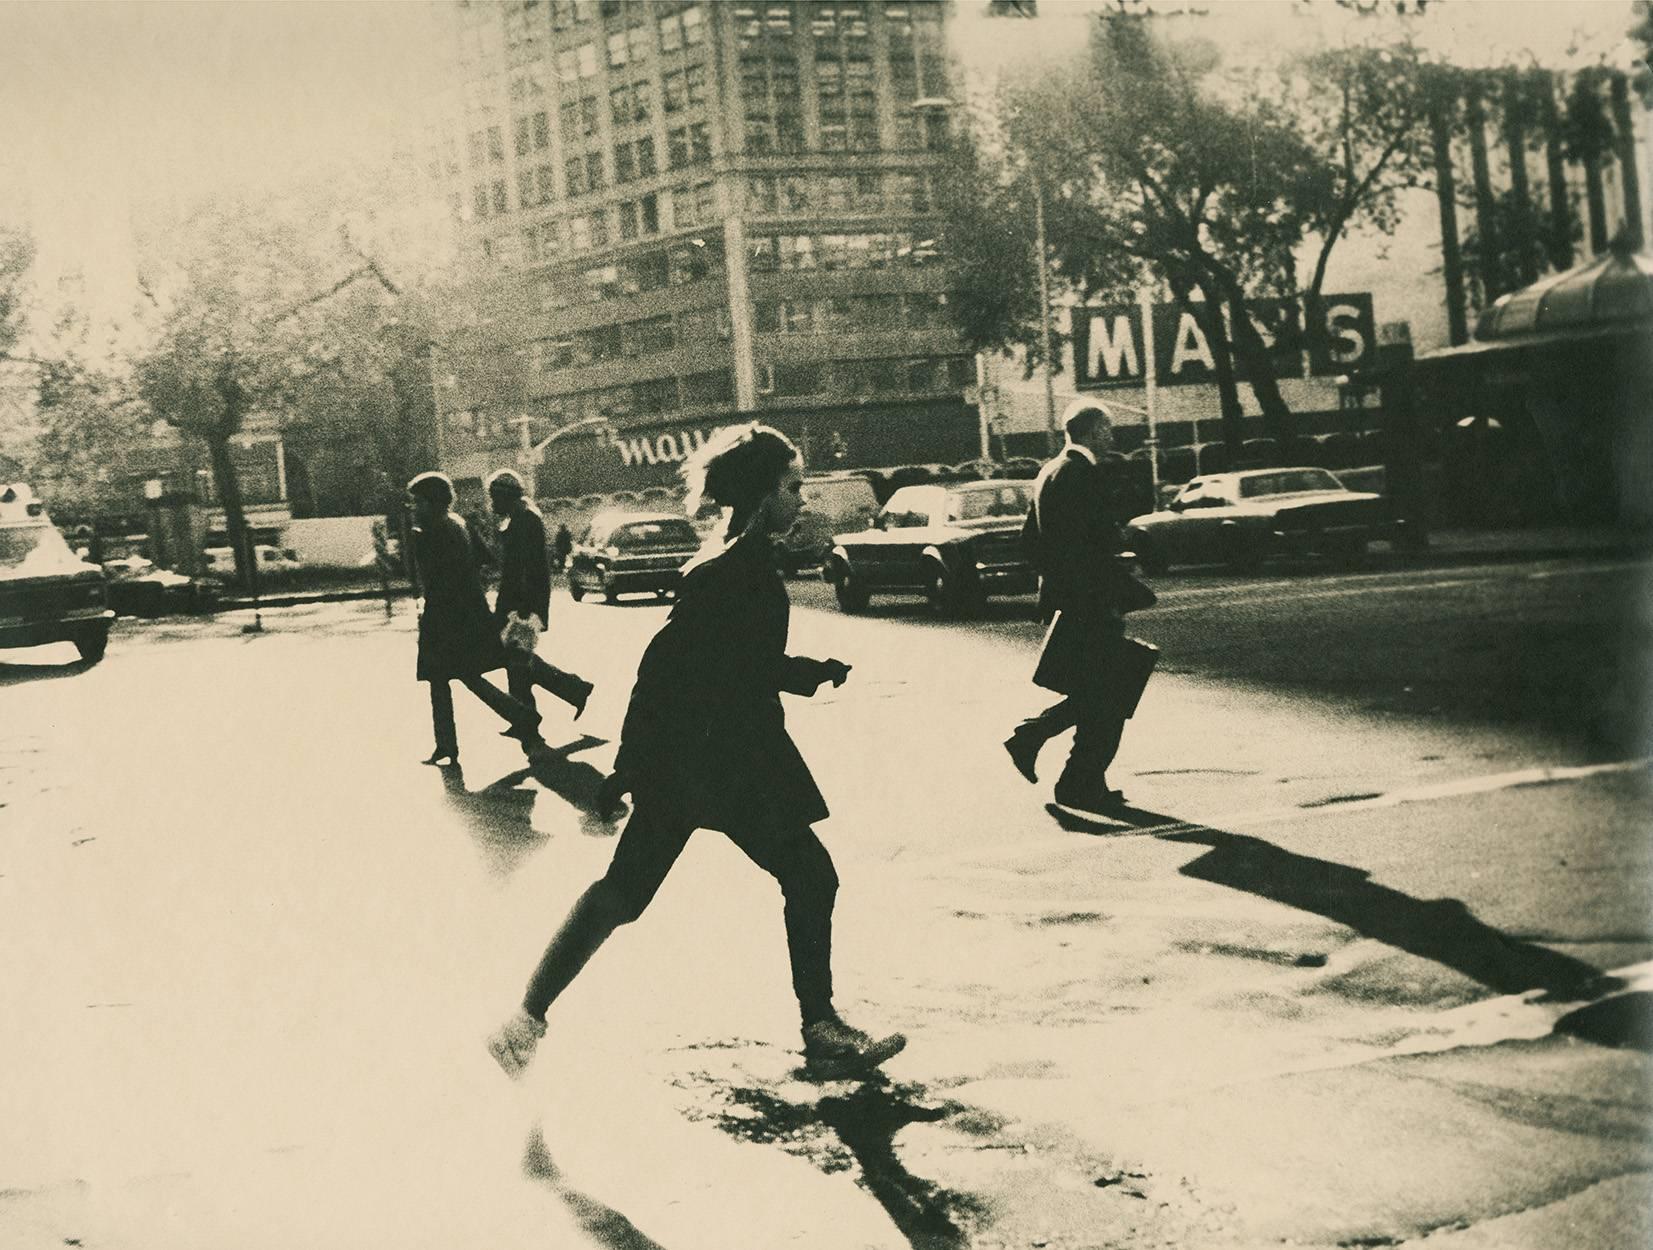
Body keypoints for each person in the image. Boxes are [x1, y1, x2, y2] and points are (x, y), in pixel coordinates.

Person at [487, 425, 906, 1082]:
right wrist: (629, 764)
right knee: (804, 876)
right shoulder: (730, 570)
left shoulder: (735, 562)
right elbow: (663, 671)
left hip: (698, 762)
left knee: (626, 894)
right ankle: (821, 1029)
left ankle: (524, 1020)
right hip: (720, 762)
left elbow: (734, 660)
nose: (799, 500)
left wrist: (801, 672)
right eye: (792, 488)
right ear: (764, 494)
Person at [1004, 401, 1141, 818]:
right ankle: (1037, 741)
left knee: (1099, 693)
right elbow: (1097, 543)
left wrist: (1057, 588)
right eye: (1108, 428)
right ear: (1094, 431)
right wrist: (1116, 576)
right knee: (1108, 693)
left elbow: (1031, 542)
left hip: (1072, 601)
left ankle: (1080, 781)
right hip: (1092, 602)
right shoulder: (1084, 474)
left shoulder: (1048, 473)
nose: (1112, 436)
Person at [407, 472, 541, 765]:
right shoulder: (459, 523)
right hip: (467, 611)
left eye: (418, 502)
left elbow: (434, 579)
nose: (414, 508)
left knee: (448, 678)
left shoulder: (434, 531)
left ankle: (452, 743)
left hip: (446, 618)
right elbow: (486, 558)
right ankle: (450, 743)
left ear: (432, 502)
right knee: (456, 677)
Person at [487, 470, 595, 724]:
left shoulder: (525, 519)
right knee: (517, 660)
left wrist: (523, 608)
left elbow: (527, 568)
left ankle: (528, 717)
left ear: (505, 495)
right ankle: (564, 694)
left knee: (517, 660)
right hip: (520, 603)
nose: (492, 503)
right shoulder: (520, 516)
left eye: (494, 497)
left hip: (522, 605)